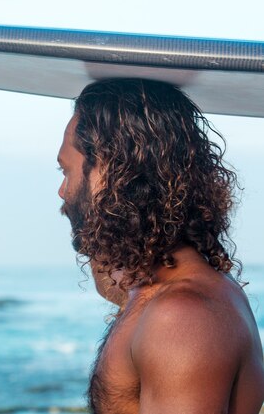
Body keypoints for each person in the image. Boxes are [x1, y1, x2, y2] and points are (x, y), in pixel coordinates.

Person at [57, 78, 264, 414]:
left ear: (110, 173)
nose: (63, 191)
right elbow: (111, 282)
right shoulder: (156, 290)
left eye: (66, 171)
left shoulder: (181, 318)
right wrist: (105, 220)